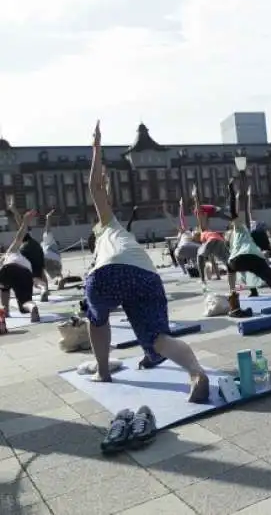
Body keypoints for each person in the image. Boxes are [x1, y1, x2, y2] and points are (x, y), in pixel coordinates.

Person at [83, 121, 209, 402]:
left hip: (106, 274)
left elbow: (94, 187)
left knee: (96, 318)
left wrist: (96, 149)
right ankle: (195, 371)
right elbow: (97, 189)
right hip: (145, 275)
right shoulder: (118, 230)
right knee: (159, 338)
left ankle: (102, 371)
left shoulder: (103, 232)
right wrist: (97, 146)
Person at [225, 178, 271, 306]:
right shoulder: (243, 232)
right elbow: (234, 214)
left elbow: (233, 213)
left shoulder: (238, 229)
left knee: (230, 267)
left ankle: (232, 293)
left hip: (239, 259)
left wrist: (232, 192)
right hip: (256, 257)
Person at [0, 210, 39, 318]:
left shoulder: (3, 259)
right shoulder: (11, 252)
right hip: (24, 273)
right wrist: (25, 222)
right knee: (25, 303)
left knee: (4, 287)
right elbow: (19, 237)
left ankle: (5, 310)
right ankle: (32, 307)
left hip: (5, 270)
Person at [41, 209, 64, 288]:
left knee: (48, 272)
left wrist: (48, 218)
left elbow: (47, 229)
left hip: (45, 258)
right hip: (55, 258)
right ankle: (60, 279)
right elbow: (47, 230)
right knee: (58, 273)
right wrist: (48, 217)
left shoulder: (46, 241)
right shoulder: (51, 243)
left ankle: (45, 287)